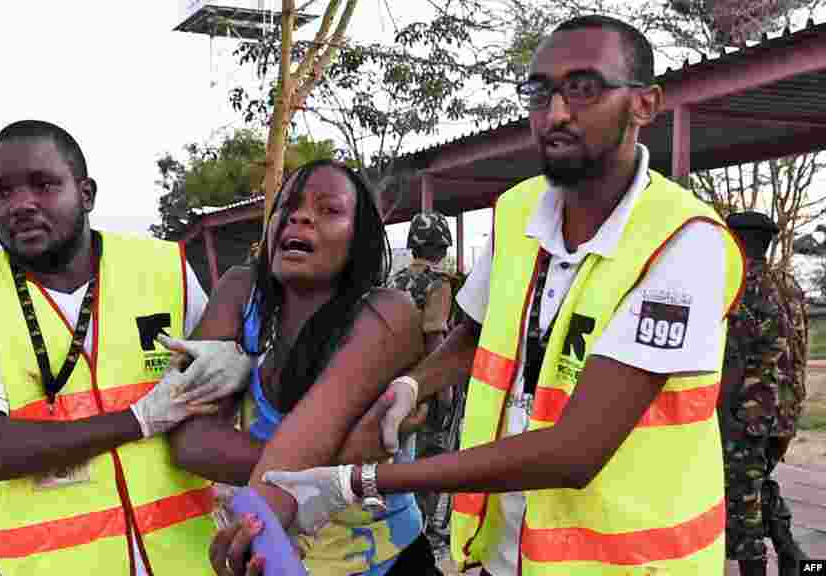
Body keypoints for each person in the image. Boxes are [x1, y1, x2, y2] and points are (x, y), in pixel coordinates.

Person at [232, 15, 747, 576]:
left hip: (632, 563)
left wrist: (357, 482)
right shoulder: (518, 212)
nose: (555, 113)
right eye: (539, 91)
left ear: (645, 104)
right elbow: (476, 333)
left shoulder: (685, 244)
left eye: (584, 88)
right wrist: (411, 385)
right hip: (510, 555)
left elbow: (576, 451)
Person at [0, 120, 250, 576]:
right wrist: (136, 420)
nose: (20, 205)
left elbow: (221, 398)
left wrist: (241, 364)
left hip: (188, 559)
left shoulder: (164, 268)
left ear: (86, 194)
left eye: (43, 184)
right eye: (1, 192)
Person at [171, 159, 439, 576]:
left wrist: (293, 473)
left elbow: (312, 428)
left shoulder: (387, 313)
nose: (300, 216)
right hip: (277, 551)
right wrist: (343, 464)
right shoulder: (241, 293)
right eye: (288, 206)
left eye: (329, 209)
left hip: (387, 563)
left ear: (358, 238)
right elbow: (189, 439)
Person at [721, 211, 809, 576]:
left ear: (736, 241)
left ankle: (764, 565)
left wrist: (723, 411)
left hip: (748, 412)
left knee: (742, 507)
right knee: (757, 484)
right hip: (782, 412)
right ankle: (795, 559)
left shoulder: (741, 284)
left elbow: (736, 357)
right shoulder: (787, 284)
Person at [385, 210, 457, 551]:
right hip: (423, 386)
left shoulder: (395, 279)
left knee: (398, 462)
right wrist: (445, 391)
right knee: (430, 463)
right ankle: (422, 534)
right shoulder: (438, 284)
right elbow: (435, 339)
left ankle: (400, 529)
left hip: (390, 384)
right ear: (442, 246)